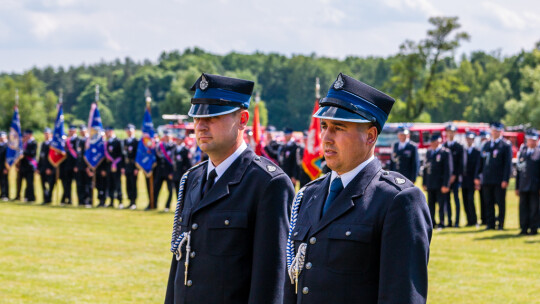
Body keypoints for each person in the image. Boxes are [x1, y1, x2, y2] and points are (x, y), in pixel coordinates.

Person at [284, 73, 432, 304]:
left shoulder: (397, 200)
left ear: (370, 136)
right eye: (324, 126)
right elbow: (293, 285)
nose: (326, 137)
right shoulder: (308, 195)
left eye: (339, 128)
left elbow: (402, 295)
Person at [165, 73, 294, 304]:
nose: (201, 126)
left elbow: (270, 280)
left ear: (243, 119)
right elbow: (179, 266)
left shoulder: (267, 184)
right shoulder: (192, 179)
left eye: (213, 117)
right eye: (197, 118)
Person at [475, 122, 512, 230]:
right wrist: (477, 176)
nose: (494, 133)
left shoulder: (505, 145)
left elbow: (507, 164)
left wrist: (505, 179)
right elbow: (480, 162)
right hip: (487, 179)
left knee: (500, 202)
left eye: (496, 131)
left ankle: (500, 223)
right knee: (488, 202)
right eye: (493, 130)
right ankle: (490, 223)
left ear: (500, 132)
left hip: (499, 179)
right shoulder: (486, 145)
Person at [423, 134, 453, 228]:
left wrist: (446, 184)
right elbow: (425, 168)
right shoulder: (429, 152)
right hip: (431, 182)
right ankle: (432, 222)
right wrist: (424, 182)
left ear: (438, 142)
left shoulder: (445, 152)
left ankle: (442, 222)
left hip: (440, 183)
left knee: (441, 205)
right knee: (430, 204)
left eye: (433, 142)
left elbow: (448, 170)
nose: (431, 144)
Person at [515, 129, 540, 235]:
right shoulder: (523, 152)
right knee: (523, 207)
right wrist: (517, 186)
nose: (531, 142)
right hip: (523, 185)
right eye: (530, 140)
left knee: (534, 208)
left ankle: (533, 228)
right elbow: (519, 170)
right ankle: (523, 228)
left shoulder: (538, 152)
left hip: (535, 185)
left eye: (533, 140)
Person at [443, 124, 464, 227]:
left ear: (455, 133)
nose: (450, 134)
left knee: (456, 200)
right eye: (448, 132)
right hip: (446, 179)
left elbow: (461, 164)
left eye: (452, 132)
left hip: (455, 179)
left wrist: (454, 175)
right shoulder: (443, 146)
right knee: (447, 201)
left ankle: (457, 221)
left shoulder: (459, 147)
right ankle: (449, 221)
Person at [152, 129, 175, 211]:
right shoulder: (159, 146)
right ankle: (153, 204)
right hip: (159, 171)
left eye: (168, 136)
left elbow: (174, 161)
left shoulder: (173, 146)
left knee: (170, 190)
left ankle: (167, 206)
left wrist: (172, 172)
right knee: (156, 188)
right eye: (165, 136)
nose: (167, 137)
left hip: (169, 172)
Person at [461, 132, 480, 227]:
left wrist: (477, 178)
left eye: (471, 139)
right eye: (467, 138)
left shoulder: (477, 151)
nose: (469, 140)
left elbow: (478, 166)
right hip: (464, 180)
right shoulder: (463, 150)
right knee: (464, 200)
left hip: (472, 179)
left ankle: (474, 219)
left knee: (470, 199)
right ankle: (469, 220)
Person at [171, 136, 192, 212]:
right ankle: (179, 207)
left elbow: (188, 164)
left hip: (183, 174)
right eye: (177, 139)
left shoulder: (185, 150)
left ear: (182, 140)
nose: (178, 141)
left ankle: (184, 207)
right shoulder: (174, 149)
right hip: (176, 174)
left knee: (184, 191)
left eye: (179, 139)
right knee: (177, 191)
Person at [60, 125, 79, 205]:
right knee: (67, 183)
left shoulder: (78, 140)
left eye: (72, 131)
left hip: (75, 166)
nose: (70, 132)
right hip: (67, 166)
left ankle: (80, 200)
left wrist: (76, 165)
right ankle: (67, 198)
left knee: (78, 184)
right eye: (69, 131)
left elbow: (78, 155)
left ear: (75, 131)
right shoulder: (66, 140)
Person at [105, 127, 123, 208]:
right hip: (109, 166)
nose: (106, 134)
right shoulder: (107, 142)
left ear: (111, 131)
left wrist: (119, 165)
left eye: (107, 132)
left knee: (117, 184)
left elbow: (121, 155)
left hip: (117, 166)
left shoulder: (118, 141)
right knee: (110, 183)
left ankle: (120, 201)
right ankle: (111, 201)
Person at [122, 124, 138, 210]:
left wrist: (137, 168)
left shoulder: (136, 141)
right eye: (127, 130)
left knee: (133, 184)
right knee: (127, 184)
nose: (129, 132)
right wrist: (123, 167)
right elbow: (123, 155)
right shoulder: (125, 141)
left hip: (133, 165)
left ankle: (133, 201)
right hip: (127, 165)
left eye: (130, 130)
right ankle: (129, 200)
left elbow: (138, 156)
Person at [38, 128, 55, 204]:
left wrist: (50, 168)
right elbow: (41, 157)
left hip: (49, 168)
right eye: (45, 134)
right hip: (42, 168)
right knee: (43, 184)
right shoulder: (43, 144)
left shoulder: (53, 144)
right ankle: (45, 198)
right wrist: (38, 167)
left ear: (51, 134)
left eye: (47, 134)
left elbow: (52, 158)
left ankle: (49, 198)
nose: (46, 135)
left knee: (50, 184)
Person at [76, 125, 92, 207]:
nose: (82, 132)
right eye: (81, 130)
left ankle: (88, 200)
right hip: (80, 166)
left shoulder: (89, 140)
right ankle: (81, 200)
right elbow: (79, 155)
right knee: (80, 184)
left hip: (87, 167)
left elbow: (90, 155)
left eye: (83, 130)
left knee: (87, 185)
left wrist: (89, 167)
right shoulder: (80, 140)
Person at [20, 130, 37, 202]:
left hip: (30, 165)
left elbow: (32, 153)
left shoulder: (34, 143)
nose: (25, 136)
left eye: (26, 135)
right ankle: (25, 196)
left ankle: (31, 197)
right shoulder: (24, 143)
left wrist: (23, 152)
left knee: (30, 182)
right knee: (24, 182)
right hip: (23, 165)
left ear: (30, 135)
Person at [0, 131, 9, 201]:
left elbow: (8, 158)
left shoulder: (7, 145)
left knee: (4, 181)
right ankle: (2, 194)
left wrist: (6, 168)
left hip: (4, 166)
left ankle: (5, 194)